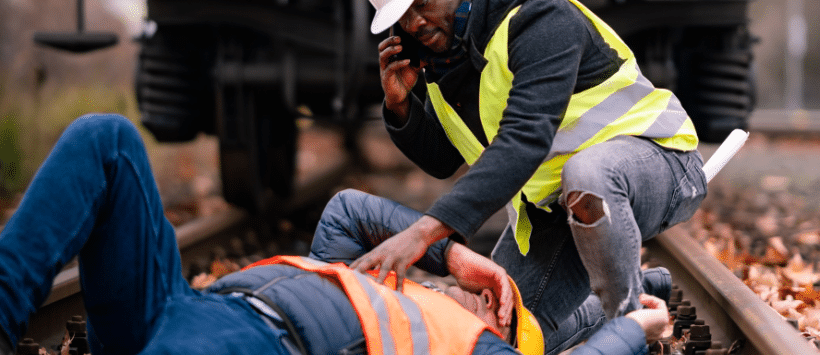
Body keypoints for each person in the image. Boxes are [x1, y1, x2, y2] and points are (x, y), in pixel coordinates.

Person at [0, 114, 671, 355]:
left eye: (502, 309)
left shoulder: (472, 348)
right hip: (179, 309)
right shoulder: (364, 283)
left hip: (255, 343)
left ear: (505, 330)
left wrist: (634, 326)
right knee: (106, 139)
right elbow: (348, 209)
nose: (483, 300)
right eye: (490, 294)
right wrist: (455, 252)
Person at [353, 0, 707, 352]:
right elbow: (445, 160)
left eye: (422, 4)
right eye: (402, 17)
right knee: (499, 336)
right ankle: (641, 290)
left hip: (660, 164)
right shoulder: (443, 60)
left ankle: (631, 327)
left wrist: (422, 233)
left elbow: (525, 138)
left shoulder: (540, 16)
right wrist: (401, 106)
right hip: (553, 211)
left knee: (587, 174)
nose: (414, 23)